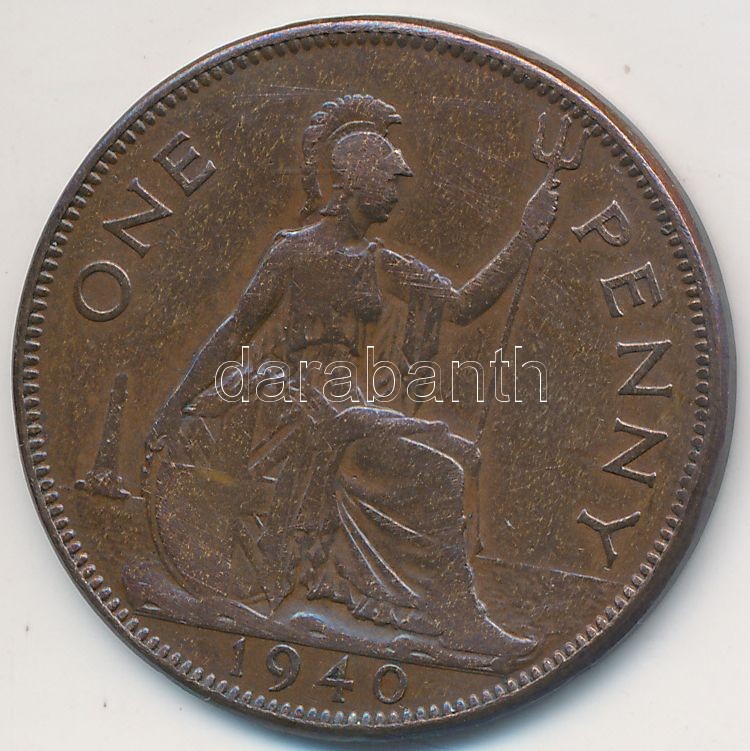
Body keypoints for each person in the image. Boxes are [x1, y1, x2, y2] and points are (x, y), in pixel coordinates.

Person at [144, 94, 559, 660]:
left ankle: (439, 610)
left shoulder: (378, 260)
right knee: (441, 469)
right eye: (388, 179)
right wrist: (174, 407)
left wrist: (525, 236)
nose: (397, 191)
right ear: (357, 182)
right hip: (296, 404)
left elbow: (462, 305)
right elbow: (235, 330)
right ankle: (456, 620)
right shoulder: (292, 253)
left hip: (347, 403)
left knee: (455, 457)